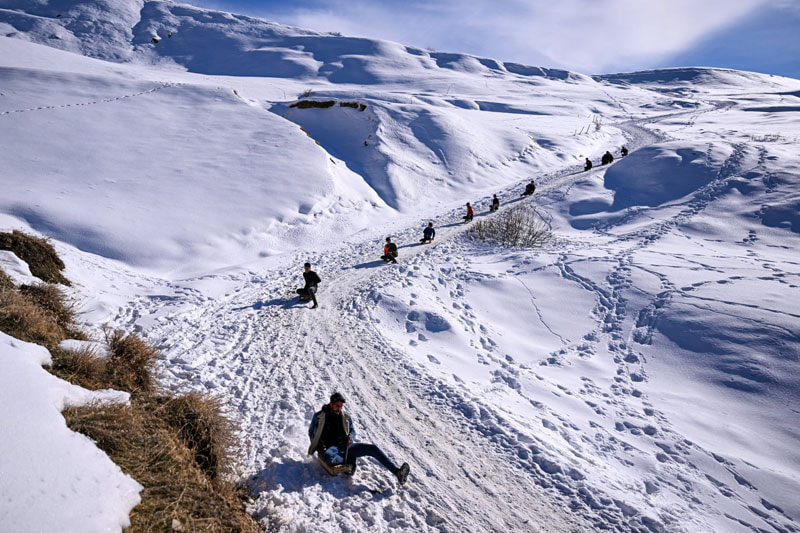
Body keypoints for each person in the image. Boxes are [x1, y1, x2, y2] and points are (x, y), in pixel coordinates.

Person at [308, 392, 410, 484]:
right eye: (337, 406)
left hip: (347, 447)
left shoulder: (345, 418)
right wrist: (318, 446)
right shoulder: (319, 416)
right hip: (332, 448)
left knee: (372, 448)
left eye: (341, 406)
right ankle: (349, 461)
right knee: (328, 457)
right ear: (331, 404)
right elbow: (311, 431)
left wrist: (351, 438)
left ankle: (397, 472)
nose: (339, 408)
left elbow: (352, 431)